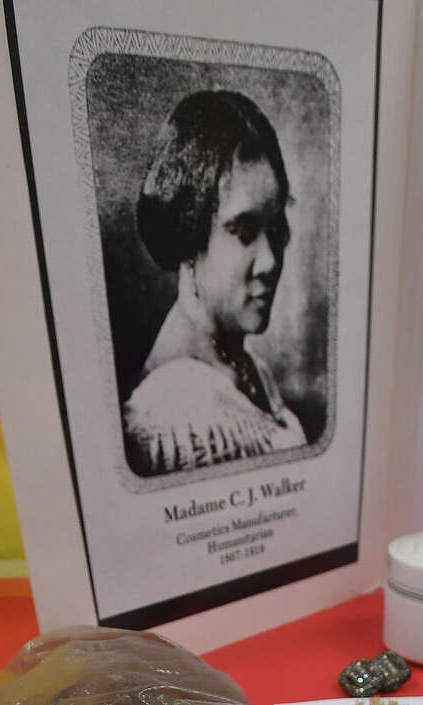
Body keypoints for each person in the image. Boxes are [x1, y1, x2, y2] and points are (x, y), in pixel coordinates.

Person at [123, 89, 308, 475]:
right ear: (189, 236)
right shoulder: (168, 417)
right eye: (243, 231)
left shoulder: (249, 368)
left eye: (275, 227)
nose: (271, 261)